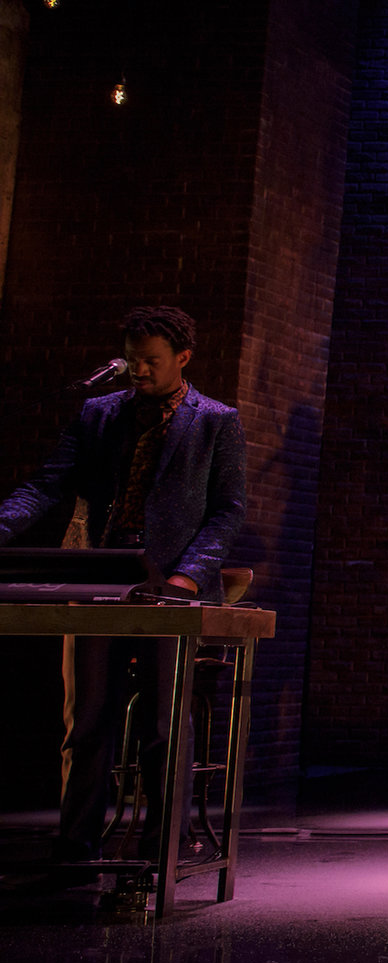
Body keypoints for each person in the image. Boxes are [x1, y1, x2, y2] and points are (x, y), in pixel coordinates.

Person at [0, 306, 246, 879]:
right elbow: (46, 485)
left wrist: (188, 575)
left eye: (150, 362)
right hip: (101, 577)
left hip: (173, 584)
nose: (137, 370)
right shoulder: (98, 414)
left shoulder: (216, 420)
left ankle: (164, 842)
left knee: (164, 721)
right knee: (86, 718)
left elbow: (229, 509)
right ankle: (76, 842)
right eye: (131, 359)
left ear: (182, 358)